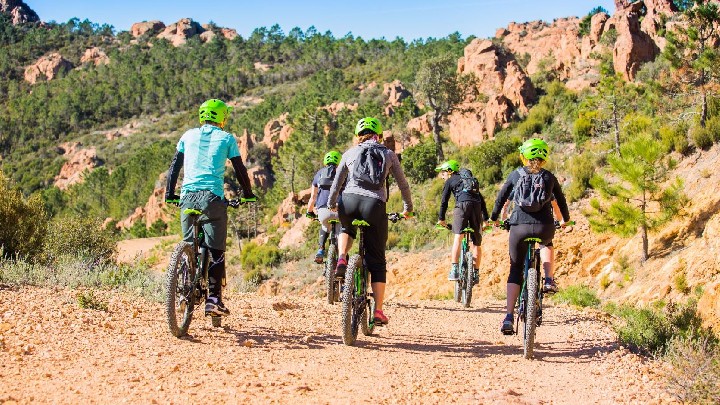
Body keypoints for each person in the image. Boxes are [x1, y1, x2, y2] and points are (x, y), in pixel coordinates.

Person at [164, 98, 257, 317]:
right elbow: (240, 170)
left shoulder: (187, 135)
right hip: (212, 199)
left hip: (187, 198)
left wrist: (170, 194)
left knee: (189, 244)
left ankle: (183, 286)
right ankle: (213, 299)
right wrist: (248, 194)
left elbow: (174, 167)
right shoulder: (226, 138)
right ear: (222, 117)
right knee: (216, 250)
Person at [327, 117, 413, 325]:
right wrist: (407, 208)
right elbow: (403, 185)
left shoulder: (349, 152)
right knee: (377, 260)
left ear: (358, 136)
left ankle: (341, 258)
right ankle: (378, 311)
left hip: (349, 202)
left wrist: (332, 203)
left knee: (347, 227)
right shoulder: (388, 154)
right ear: (379, 136)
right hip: (374, 205)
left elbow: (337, 183)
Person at [490, 138, 570, 334]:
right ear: (544, 158)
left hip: (519, 227)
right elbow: (561, 201)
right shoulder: (549, 177)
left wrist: (494, 219)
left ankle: (509, 316)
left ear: (524, 156)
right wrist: (565, 221)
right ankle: (549, 279)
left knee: (515, 269)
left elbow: (501, 198)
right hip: (544, 227)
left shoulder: (516, 175)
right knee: (547, 244)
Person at [435, 160, 489, 285]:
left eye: (443, 172)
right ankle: (475, 273)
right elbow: (482, 201)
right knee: (477, 243)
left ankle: (454, 269)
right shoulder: (470, 182)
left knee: (458, 237)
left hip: (462, 206)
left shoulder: (450, 180)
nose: (442, 175)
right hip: (476, 207)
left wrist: (441, 219)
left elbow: (444, 201)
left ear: (449, 171)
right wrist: (486, 220)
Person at [307, 151, 343, 263]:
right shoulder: (343, 172)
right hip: (339, 210)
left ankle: (320, 250)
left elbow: (313, 197)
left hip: (323, 211)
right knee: (340, 234)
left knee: (325, 226)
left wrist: (309, 212)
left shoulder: (319, 174)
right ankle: (342, 260)